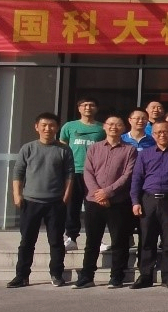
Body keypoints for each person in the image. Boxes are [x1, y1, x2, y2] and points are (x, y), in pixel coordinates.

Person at [8, 112, 74, 289]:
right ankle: (21, 276)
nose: (47, 128)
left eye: (51, 125)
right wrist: (17, 194)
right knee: (27, 242)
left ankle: (57, 274)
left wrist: (66, 196)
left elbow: (69, 174)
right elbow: (18, 173)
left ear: (57, 128)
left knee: (56, 241)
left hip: (55, 202)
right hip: (30, 202)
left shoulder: (64, 149)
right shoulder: (28, 148)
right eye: (44, 125)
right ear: (36, 127)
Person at [73, 115, 136, 290]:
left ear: (123, 128)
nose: (113, 127)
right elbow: (88, 172)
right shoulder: (94, 148)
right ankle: (87, 276)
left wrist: (107, 193)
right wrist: (98, 194)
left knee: (119, 241)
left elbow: (128, 175)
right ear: (104, 127)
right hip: (94, 201)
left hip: (118, 202)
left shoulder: (130, 150)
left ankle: (117, 277)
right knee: (92, 241)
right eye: (110, 124)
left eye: (118, 124)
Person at [130, 122, 168, 290]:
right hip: (148, 200)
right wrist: (135, 201)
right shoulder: (145, 154)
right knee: (147, 240)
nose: (162, 135)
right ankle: (145, 275)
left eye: (165, 131)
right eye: (158, 132)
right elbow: (137, 178)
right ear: (153, 135)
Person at [59, 97, 106, 253]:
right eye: (84, 105)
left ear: (96, 108)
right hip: (74, 171)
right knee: (72, 206)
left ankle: (96, 239)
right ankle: (71, 238)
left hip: (94, 174)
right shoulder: (69, 126)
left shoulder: (102, 128)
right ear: (79, 108)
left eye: (91, 105)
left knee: (94, 208)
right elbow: (63, 147)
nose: (87, 107)